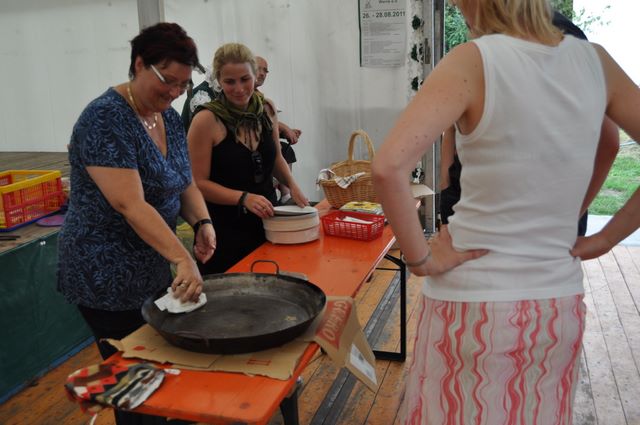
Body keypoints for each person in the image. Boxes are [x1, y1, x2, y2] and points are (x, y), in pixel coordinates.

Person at [372, 0, 640, 423]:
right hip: (556, 306)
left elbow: (388, 168)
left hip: (472, 306)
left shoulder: (473, 61)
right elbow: (608, 144)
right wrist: (606, 238)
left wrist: (421, 260)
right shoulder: (596, 62)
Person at [57, 22, 216, 425]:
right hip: (104, 269)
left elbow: (184, 181)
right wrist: (182, 258)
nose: (175, 92)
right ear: (140, 64)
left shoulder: (169, 118)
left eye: (183, 84)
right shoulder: (104, 119)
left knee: (161, 373)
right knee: (135, 386)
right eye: (168, 81)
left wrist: (202, 221)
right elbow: (129, 203)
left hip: (149, 263)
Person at [438, 11, 620, 236]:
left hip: (518, 214)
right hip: (481, 205)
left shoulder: (558, 39)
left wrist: (582, 220)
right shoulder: (486, 43)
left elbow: (609, 142)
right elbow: (452, 126)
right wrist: (446, 191)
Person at [188, 43, 308, 275]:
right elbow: (197, 183)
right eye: (229, 82)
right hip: (223, 228)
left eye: (245, 79)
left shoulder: (266, 110)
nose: (239, 89)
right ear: (218, 81)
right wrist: (243, 198)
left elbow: (275, 157)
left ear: (256, 76)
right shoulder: (206, 120)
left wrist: (293, 186)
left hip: (267, 220)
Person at [254, 55, 302, 204]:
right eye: (258, 69)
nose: (262, 74)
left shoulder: (264, 102)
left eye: (265, 71)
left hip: (263, 195)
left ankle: (286, 194)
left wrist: (293, 186)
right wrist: (285, 128)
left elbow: (266, 124)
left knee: (282, 150)